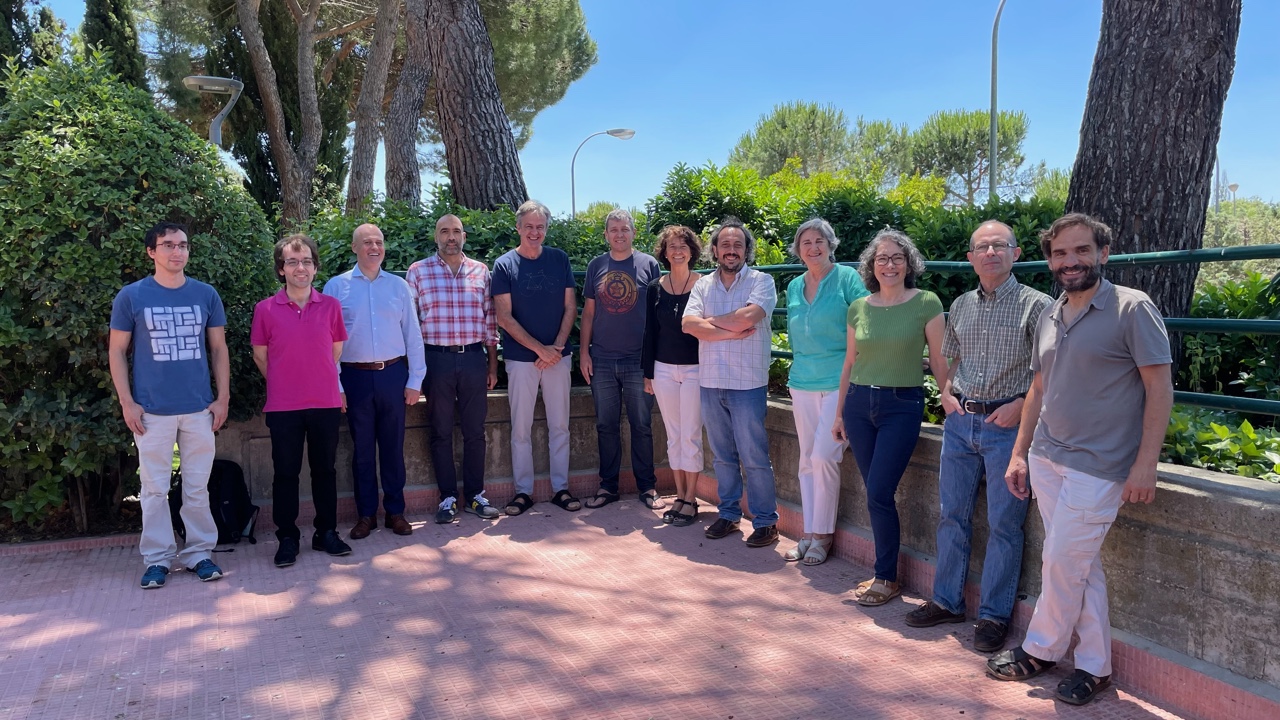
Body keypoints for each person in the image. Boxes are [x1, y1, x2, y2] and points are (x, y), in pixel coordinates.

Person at [986, 213, 1172, 707]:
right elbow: (1038, 388)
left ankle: (1040, 648)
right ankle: (1095, 665)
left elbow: (1159, 388)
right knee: (1079, 565)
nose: (1070, 262)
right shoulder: (1050, 312)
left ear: (1102, 253)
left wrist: (1145, 463)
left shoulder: (1133, 308)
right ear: (1049, 260)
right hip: (1049, 457)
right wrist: (1020, 452)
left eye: (1081, 251)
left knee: (1062, 561)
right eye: (1060, 253)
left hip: (1102, 464)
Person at [904, 220, 1052, 652]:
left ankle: (993, 616)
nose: (990, 253)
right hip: (960, 423)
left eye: (999, 246)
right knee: (952, 515)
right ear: (970, 258)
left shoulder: (1037, 306)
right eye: (981, 247)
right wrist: (946, 394)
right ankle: (947, 601)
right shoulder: (962, 304)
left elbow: (1050, 373)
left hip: (1008, 429)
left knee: (1005, 524)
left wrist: (1022, 404)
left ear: (1016, 253)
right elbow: (948, 357)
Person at [108, 221, 229, 588]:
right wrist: (127, 402)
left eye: (183, 245)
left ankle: (199, 554)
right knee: (154, 489)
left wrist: (222, 398)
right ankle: (157, 559)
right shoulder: (131, 296)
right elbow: (116, 350)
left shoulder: (206, 294)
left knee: (196, 487)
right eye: (168, 245)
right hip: (151, 412)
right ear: (152, 251)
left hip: (198, 410)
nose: (177, 252)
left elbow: (219, 349)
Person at [832, 229, 947, 606]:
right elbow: (850, 361)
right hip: (859, 404)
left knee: (879, 491)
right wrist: (839, 413)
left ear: (909, 263)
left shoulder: (926, 303)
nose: (890, 264)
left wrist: (948, 397)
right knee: (875, 494)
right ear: (871, 266)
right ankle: (886, 574)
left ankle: (886, 577)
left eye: (897, 257)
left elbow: (941, 359)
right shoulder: (858, 308)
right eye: (882, 258)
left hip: (902, 404)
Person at [251, 234, 352, 568]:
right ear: (281, 269)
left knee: (325, 471)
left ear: (315, 266)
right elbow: (262, 357)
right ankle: (288, 537)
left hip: (324, 402)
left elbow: (334, 351)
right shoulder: (265, 310)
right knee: (286, 474)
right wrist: (287, 382)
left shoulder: (331, 307)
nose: (300, 267)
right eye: (292, 262)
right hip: (283, 407)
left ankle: (326, 533)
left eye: (307, 261)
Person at [681, 217, 780, 548]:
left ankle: (766, 522)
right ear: (714, 250)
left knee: (754, 456)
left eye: (738, 245)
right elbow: (688, 325)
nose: (732, 250)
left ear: (746, 250)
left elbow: (750, 317)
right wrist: (729, 329)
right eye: (725, 244)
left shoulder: (761, 281)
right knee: (722, 455)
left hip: (747, 383)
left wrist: (710, 325)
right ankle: (728, 514)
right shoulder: (703, 285)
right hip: (710, 381)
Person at [322, 223, 427, 539]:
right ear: (354, 247)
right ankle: (366, 514)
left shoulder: (398, 287)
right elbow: (327, 342)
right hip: (354, 377)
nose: (374, 247)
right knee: (362, 450)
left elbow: (413, 333)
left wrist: (416, 378)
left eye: (378, 242)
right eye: (366, 242)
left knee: (394, 448)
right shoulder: (336, 287)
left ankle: (396, 512)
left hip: (393, 375)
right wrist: (336, 385)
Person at [405, 215, 502, 524]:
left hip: (474, 358)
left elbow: (490, 321)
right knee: (440, 431)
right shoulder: (418, 272)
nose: (451, 237)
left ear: (464, 236)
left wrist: (491, 364)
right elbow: (411, 327)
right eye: (445, 231)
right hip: (437, 360)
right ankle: (447, 497)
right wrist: (416, 373)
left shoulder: (481, 271)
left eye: (456, 231)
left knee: (476, 431)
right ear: (436, 236)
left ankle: (475, 496)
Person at [783, 218, 867, 565]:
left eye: (820, 241)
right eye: (806, 242)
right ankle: (808, 533)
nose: (813, 247)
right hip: (801, 380)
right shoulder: (793, 286)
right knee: (806, 460)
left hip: (838, 381)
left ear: (830, 244)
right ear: (798, 249)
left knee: (824, 456)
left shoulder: (847, 278)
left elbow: (866, 319)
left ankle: (823, 535)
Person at [492, 200, 582, 516]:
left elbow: (570, 307)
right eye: (529, 226)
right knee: (521, 428)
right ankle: (523, 492)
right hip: (520, 359)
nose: (534, 232)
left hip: (558, 357)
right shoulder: (504, 265)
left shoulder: (559, 259)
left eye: (540, 227)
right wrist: (538, 350)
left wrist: (555, 347)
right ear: (518, 228)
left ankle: (561, 489)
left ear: (546, 229)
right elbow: (504, 317)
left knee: (560, 426)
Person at [580, 209, 663, 510]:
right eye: (613, 229)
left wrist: (654, 360)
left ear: (633, 233)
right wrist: (584, 353)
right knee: (606, 426)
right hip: (601, 360)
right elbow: (588, 313)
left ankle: (647, 487)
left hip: (638, 361)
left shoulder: (649, 265)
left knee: (642, 424)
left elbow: (657, 315)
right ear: (606, 234)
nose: (619, 234)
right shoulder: (596, 265)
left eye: (624, 229)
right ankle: (608, 486)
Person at [641, 225, 705, 527]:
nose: (677, 251)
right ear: (664, 253)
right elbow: (649, 332)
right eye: (671, 247)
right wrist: (648, 373)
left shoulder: (704, 285)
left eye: (683, 245)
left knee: (690, 435)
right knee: (674, 435)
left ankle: (692, 498)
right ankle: (679, 495)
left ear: (692, 250)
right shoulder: (655, 286)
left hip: (696, 369)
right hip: (663, 369)